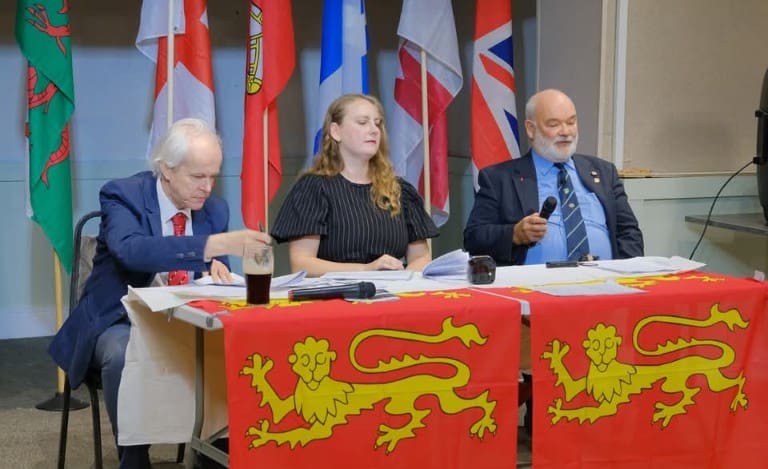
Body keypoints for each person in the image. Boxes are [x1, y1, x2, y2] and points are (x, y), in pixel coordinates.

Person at [48, 118, 271, 469]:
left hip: (188, 320)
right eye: (197, 176)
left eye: (213, 176)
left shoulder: (215, 209)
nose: (207, 187)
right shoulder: (123, 195)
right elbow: (132, 251)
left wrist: (218, 270)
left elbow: (217, 275)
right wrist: (212, 245)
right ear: (166, 170)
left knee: (236, 348)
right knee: (123, 353)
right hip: (119, 318)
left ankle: (214, 454)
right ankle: (135, 459)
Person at [464, 88, 643, 265]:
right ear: (531, 129)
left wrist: (626, 273)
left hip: (604, 278)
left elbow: (629, 233)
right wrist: (515, 234)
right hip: (534, 281)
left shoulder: (604, 172)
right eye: (554, 124)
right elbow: (473, 238)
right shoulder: (499, 179)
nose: (565, 131)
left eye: (571, 122)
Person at [271, 93, 439, 276]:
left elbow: (421, 257)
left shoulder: (401, 191)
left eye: (378, 123)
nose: (374, 130)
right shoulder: (314, 188)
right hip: (338, 292)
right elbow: (302, 265)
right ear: (336, 131)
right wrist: (367, 270)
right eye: (362, 122)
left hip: (394, 290)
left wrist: (405, 277)